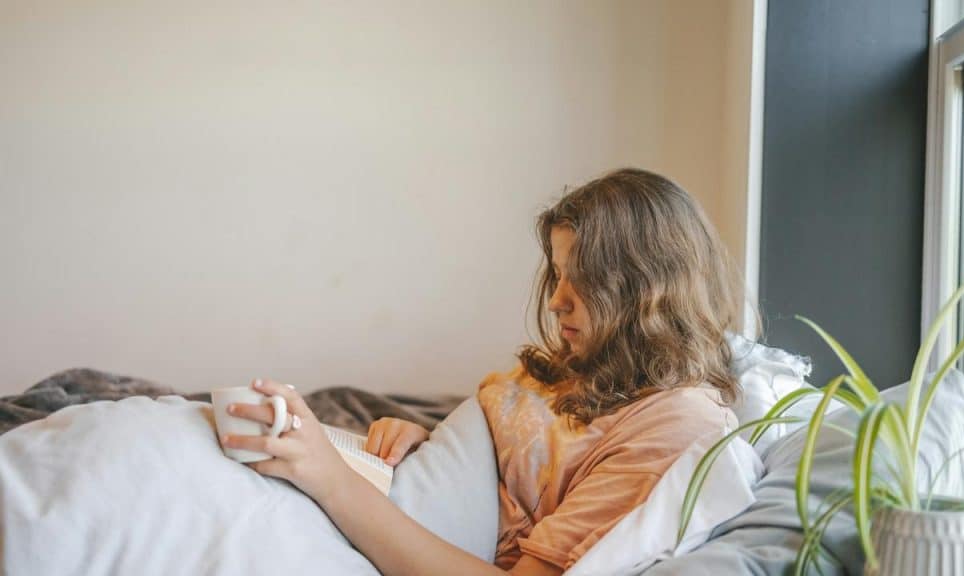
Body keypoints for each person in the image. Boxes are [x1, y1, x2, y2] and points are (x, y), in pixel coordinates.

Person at [219, 168, 746, 575]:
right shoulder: (596, 367)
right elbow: (516, 468)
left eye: (581, 280)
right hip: (377, 495)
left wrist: (334, 482)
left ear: (646, 287)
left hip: (359, 525)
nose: (558, 301)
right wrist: (426, 443)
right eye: (559, 276)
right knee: (184, 426)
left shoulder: (674, 425)